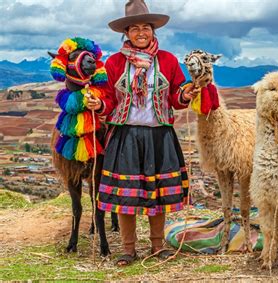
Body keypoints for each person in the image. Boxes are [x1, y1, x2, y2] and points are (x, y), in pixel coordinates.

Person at [85, 0, 198, 266]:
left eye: (145, 27)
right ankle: (128, 249)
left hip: (159, 135)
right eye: (134, 28)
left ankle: (158, 246)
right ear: (126, 33)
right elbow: (110, 99)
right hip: (126, 136)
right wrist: (99, 104)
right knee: (127, 195)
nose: (140, 33)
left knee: (156, 193)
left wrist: (185, 93)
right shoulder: (113, 64)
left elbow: (176, 97)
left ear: (153, 30)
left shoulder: (168, 60)